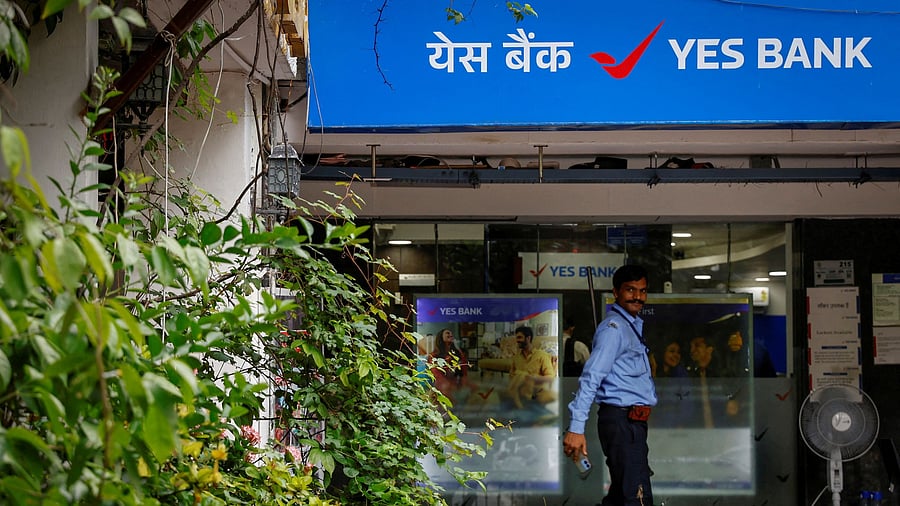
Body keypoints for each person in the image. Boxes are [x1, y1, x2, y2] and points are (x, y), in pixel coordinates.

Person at [563, 265, 656, 506]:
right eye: (630, 290)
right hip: (622, 421)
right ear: (616, 292)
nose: (637, 296)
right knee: (636, 497)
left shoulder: (630, 326)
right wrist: (576, 428)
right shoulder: (614, 330)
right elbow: (591, 377)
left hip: (631, 423)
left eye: (642, 291)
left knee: (621, 497)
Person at [505, 325, 556, 409]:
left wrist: (533, 378)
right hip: (520, 392)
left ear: (528, 338)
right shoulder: (516, 357)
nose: (517, 340)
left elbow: (551, 377)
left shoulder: (541, 356)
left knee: (523, 375)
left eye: (520, 337)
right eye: (516, 338)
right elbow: (511, 376)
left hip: (536, 392)